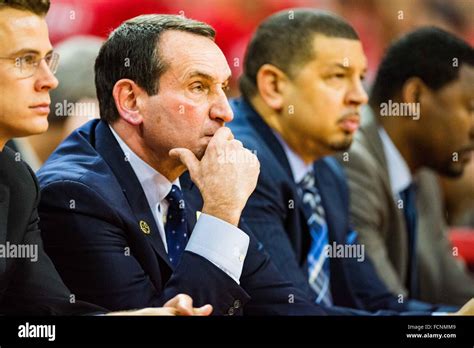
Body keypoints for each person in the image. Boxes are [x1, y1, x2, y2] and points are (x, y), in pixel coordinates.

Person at [36, 13, 333, 316]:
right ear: (131, 101)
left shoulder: (195, 172)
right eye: (199, 87)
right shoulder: (73, 197)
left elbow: (282, 306)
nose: (225, 111)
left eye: (223, 87)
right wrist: (221, 212)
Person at [227, 8, 457, 313]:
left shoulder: (327, 169)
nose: (360, 96)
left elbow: (372, 297)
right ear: (274, 86)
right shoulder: (243, 160)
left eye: (361, 78)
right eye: (338, 76)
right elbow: (292, 312)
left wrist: (447, 322)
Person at [0, 0, 211, 316]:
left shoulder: (15, 180)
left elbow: (46, 316)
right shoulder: (67, 188)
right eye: (26, 60)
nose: (50, 81)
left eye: (47, 59)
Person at [340, 27, 474, 306]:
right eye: (471, 108)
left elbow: (450, 286)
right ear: (414, 96)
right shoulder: (353, 163)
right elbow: (380, 301)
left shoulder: (422, 169)